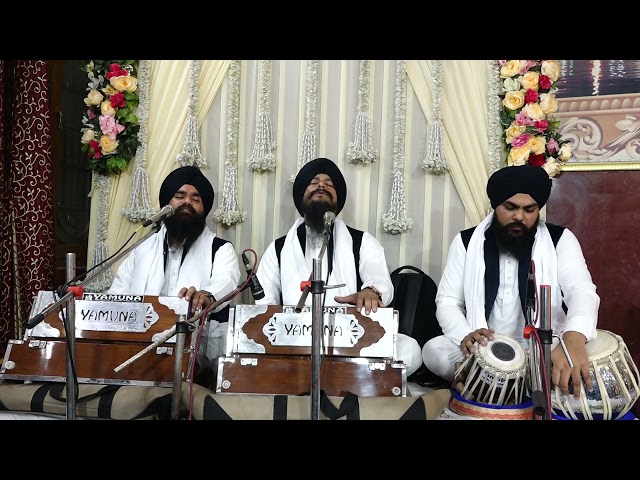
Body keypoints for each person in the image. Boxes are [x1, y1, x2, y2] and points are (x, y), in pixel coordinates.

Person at [422, 164, 600, 400]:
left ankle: (481, 384)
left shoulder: (560, 240)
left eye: (529, 210)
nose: (519, 216)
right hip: (484, 347)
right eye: (510, 208)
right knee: (433, 350)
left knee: (585, 356)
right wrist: (467, 334)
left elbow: (581, 291)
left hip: (542, 347)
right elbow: (447, 301)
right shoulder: (466, 242)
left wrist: (574, 337)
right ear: (496, 206)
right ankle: (491, 377)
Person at [254, 157, 423, 378]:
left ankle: (340, 375)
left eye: (329, 183)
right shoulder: (278, 249)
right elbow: (264, 303)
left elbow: (380, 280)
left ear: (338, 199)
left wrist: (370, 291)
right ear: (300, 196)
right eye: (314, 182)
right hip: (293, 340)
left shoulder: (362, 242)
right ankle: (344, 378)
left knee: (410, 349)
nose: (322, 185)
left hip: (352, 339)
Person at [108, 165, 241, 384]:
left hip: (195, 359)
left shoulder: (220, 248)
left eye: (195, 198)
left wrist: (206, 294)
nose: (187, 202)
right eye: (179, 196)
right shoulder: (142, 248)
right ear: (167, 205)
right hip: (136, 353)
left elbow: (227, 280)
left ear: (204, 208)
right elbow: (118, 295)